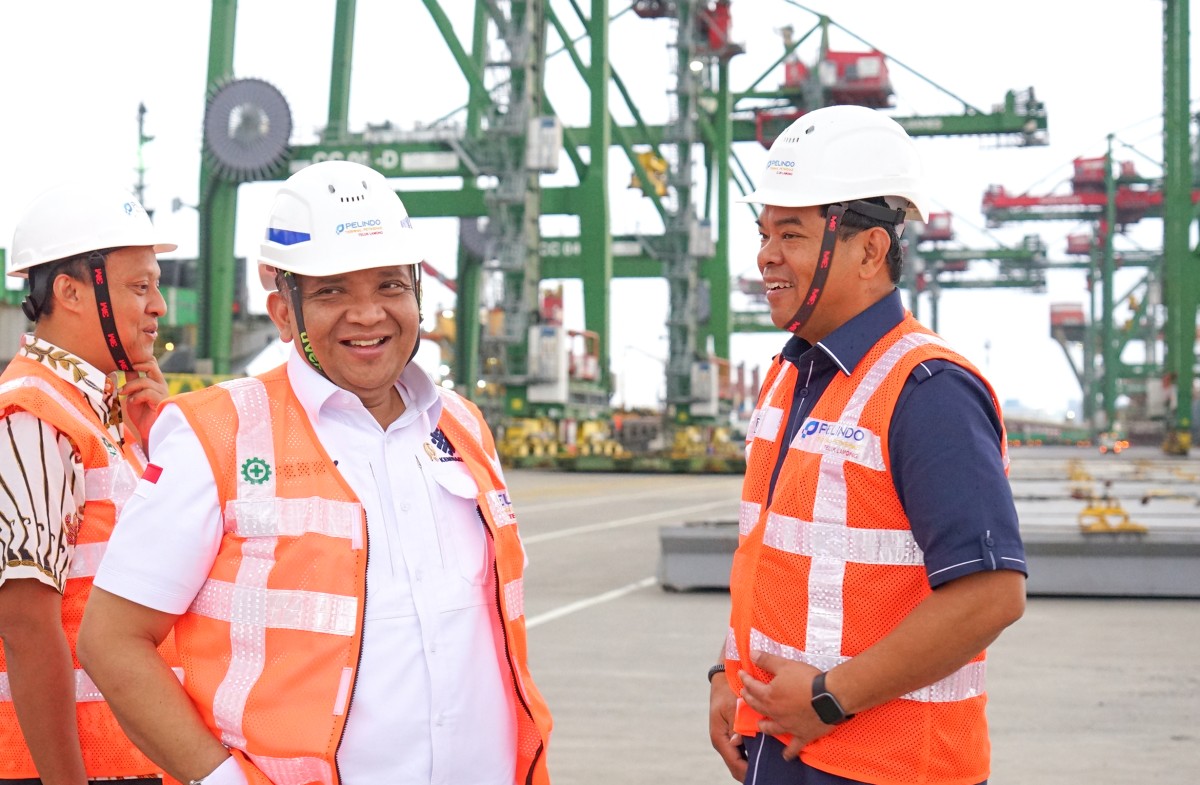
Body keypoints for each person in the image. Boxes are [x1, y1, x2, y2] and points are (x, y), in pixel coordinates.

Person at [78, 160, 553, 785]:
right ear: (283, 313)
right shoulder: (214, 434)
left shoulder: (462, 427)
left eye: (389, 285)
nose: (368, 314)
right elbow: (111, 642)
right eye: (332, 291)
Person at [707, 105, 1027, 785]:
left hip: (889, 767)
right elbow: (776, 561)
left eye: (790, 234)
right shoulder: (795, 375)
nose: (765, 255)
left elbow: (991, 592)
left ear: (870, 249)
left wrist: (829, 695)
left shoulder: (928, 390)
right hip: (784, 747)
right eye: (764, 232)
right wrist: (726, 674)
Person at [0, 181, 176, 784]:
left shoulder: (100, 413)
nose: (159, 306)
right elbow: (25, 622)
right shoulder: (32, 414)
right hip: (66, 769)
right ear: (71, 292)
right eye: (139, 286)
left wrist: (160, 446)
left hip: (123, 759)